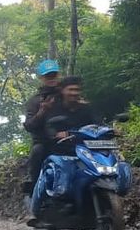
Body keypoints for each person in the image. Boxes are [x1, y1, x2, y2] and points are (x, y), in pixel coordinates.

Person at [22, 58, 62, 193]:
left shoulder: (67, 94)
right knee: (37, 151)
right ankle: (33, 189)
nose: (51, 78)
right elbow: (29, 125)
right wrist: (42, 111)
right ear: (41, 78)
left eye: (54, 74)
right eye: (48, 76)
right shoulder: (35, 101)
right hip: (45, 142)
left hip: (70, 139)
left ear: (59, 75)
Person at [44, 76, 99, 156]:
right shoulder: (54, 108)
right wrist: (56, 134)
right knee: (38, 152)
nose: (74, 93)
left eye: (77, 90)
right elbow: (48, 126)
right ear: (62, 91)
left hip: (88, 149)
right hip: (60, 151)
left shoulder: (87, 108)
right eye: (70, 89)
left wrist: (110, 131)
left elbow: (98, 124)